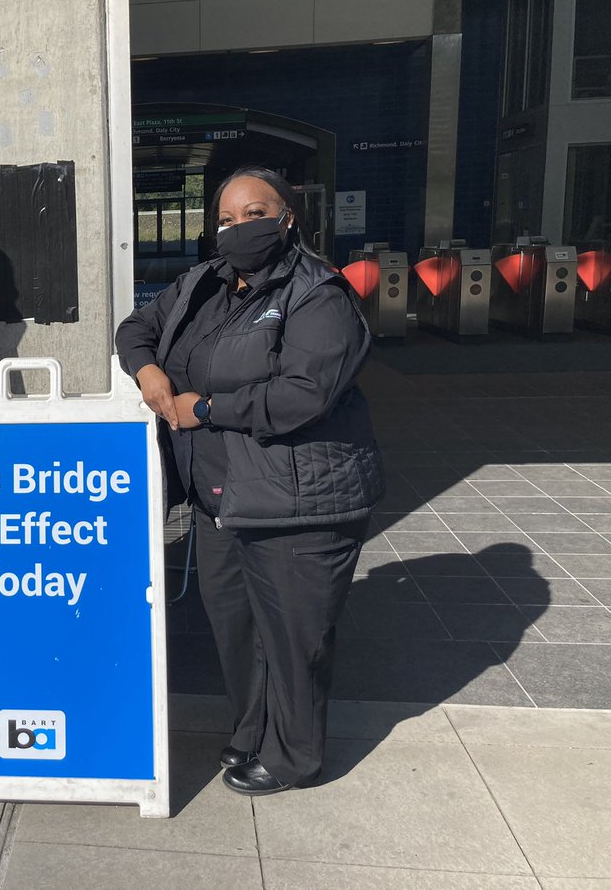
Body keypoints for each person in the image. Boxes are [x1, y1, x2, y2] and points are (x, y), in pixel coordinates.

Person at [115, 166, 384, 795]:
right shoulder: (201, 283)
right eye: (227, 219)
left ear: (288, 217)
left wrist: (205, 408)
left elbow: (303, 393)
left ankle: (294, 758)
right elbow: (136, 329)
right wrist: (149, 375)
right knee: (236, 628)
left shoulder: (318, 293)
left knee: (292, 636)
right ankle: (251, 732)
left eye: (254, 213)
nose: (239, 228)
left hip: (299, 500)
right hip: (223, 496)